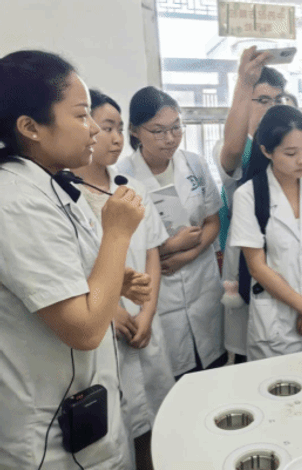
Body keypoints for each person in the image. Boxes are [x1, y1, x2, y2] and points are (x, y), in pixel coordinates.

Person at [0, 50, 146, 469]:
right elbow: (83, 328)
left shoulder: (54, 185)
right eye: (82, 115)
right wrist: (118, 233)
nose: (95, 128)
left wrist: (113, 282)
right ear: (30, 127)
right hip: (49, 438)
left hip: (87, 412)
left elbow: (66, 280)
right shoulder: (16, 201)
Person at [74, 89, 175, 469]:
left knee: (156, 420)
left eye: (119, 128)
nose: (116, 138)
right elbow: (72, 271)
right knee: (118, 429)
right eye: (106, 128)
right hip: (102, 328)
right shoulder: (67, 198)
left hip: (144, 322)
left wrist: (146, 313)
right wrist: (111, 312)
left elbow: (151, 254)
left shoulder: (133, 189)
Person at [117, 86, 226, 379]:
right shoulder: (121, 176)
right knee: (173, 376)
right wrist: (169, 248)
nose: (170, 138)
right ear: (135, 131)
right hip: (160, 292)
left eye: (176, 127)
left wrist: (187, 254)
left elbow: (213, 222)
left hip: (202, 282)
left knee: (214, 370)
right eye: (158, 131)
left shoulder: (194, 164)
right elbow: (122, 247)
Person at [229, 105, 302, 361]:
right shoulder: (249, 196)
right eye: (291, 153)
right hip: (277, 322)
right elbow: (257, 267)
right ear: (266, 151)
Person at [215, 47, 286, 363]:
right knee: (247, 353)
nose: (271, 108)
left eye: (278, 100)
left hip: (285, 260)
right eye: (263, 100)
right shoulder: (237, 147)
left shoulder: (288, 149)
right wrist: (244, 83)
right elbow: (231, 150)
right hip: (246, 266)